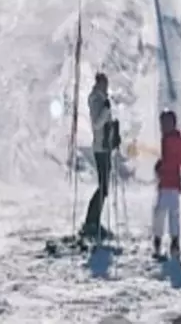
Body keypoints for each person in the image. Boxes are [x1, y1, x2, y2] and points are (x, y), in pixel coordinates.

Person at [152, 109, 181, 261]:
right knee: (171, 214)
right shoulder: (170, 139)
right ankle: (173, 244)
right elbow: (180, 159)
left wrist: (161, 167)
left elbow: (177, 159)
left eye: (165, 124)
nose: (163, 127)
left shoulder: (171, 140)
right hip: (170, 183)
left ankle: (163, 243)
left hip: (168, 183)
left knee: (161, 213)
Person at [80, 73, 114, 239]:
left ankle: (94, 220)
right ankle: (91, 221)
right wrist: (107, 110)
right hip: (101, 147)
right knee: (103, 186)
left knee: (104, 187)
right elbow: (97, 123)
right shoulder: (97, 100)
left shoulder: (101, 99)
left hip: (105, 146)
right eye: (104, 84)